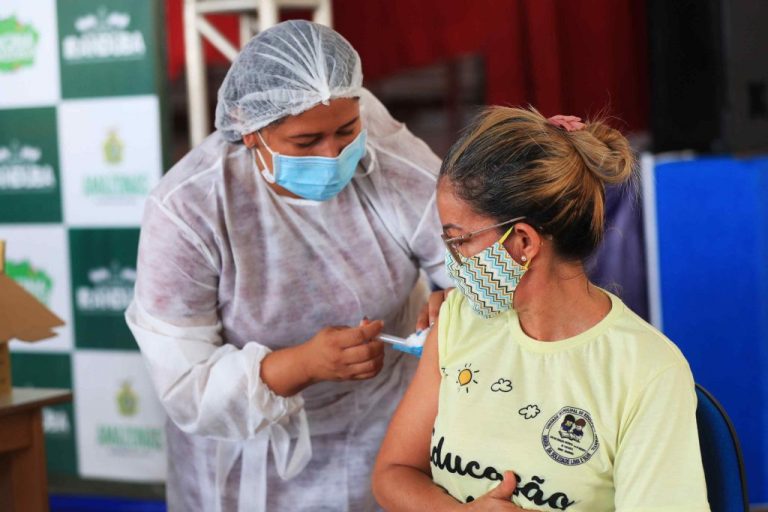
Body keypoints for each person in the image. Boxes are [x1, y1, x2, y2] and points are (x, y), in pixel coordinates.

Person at [125, 20, 452, 511]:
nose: (333, 154)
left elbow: (466, 257)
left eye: (346, 131)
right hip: (244, 458)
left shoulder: (389, 160)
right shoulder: (190, 208)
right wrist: (302, 365)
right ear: (249, 129)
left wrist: (456, 301)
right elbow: (185, 383)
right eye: (305, 143)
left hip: (383, 431)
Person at [372, 107, 710, 511]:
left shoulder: (645, 371)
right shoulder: (458, 321)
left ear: (523, 244)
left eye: (459, 241)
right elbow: (392, 473)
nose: (452, 260)